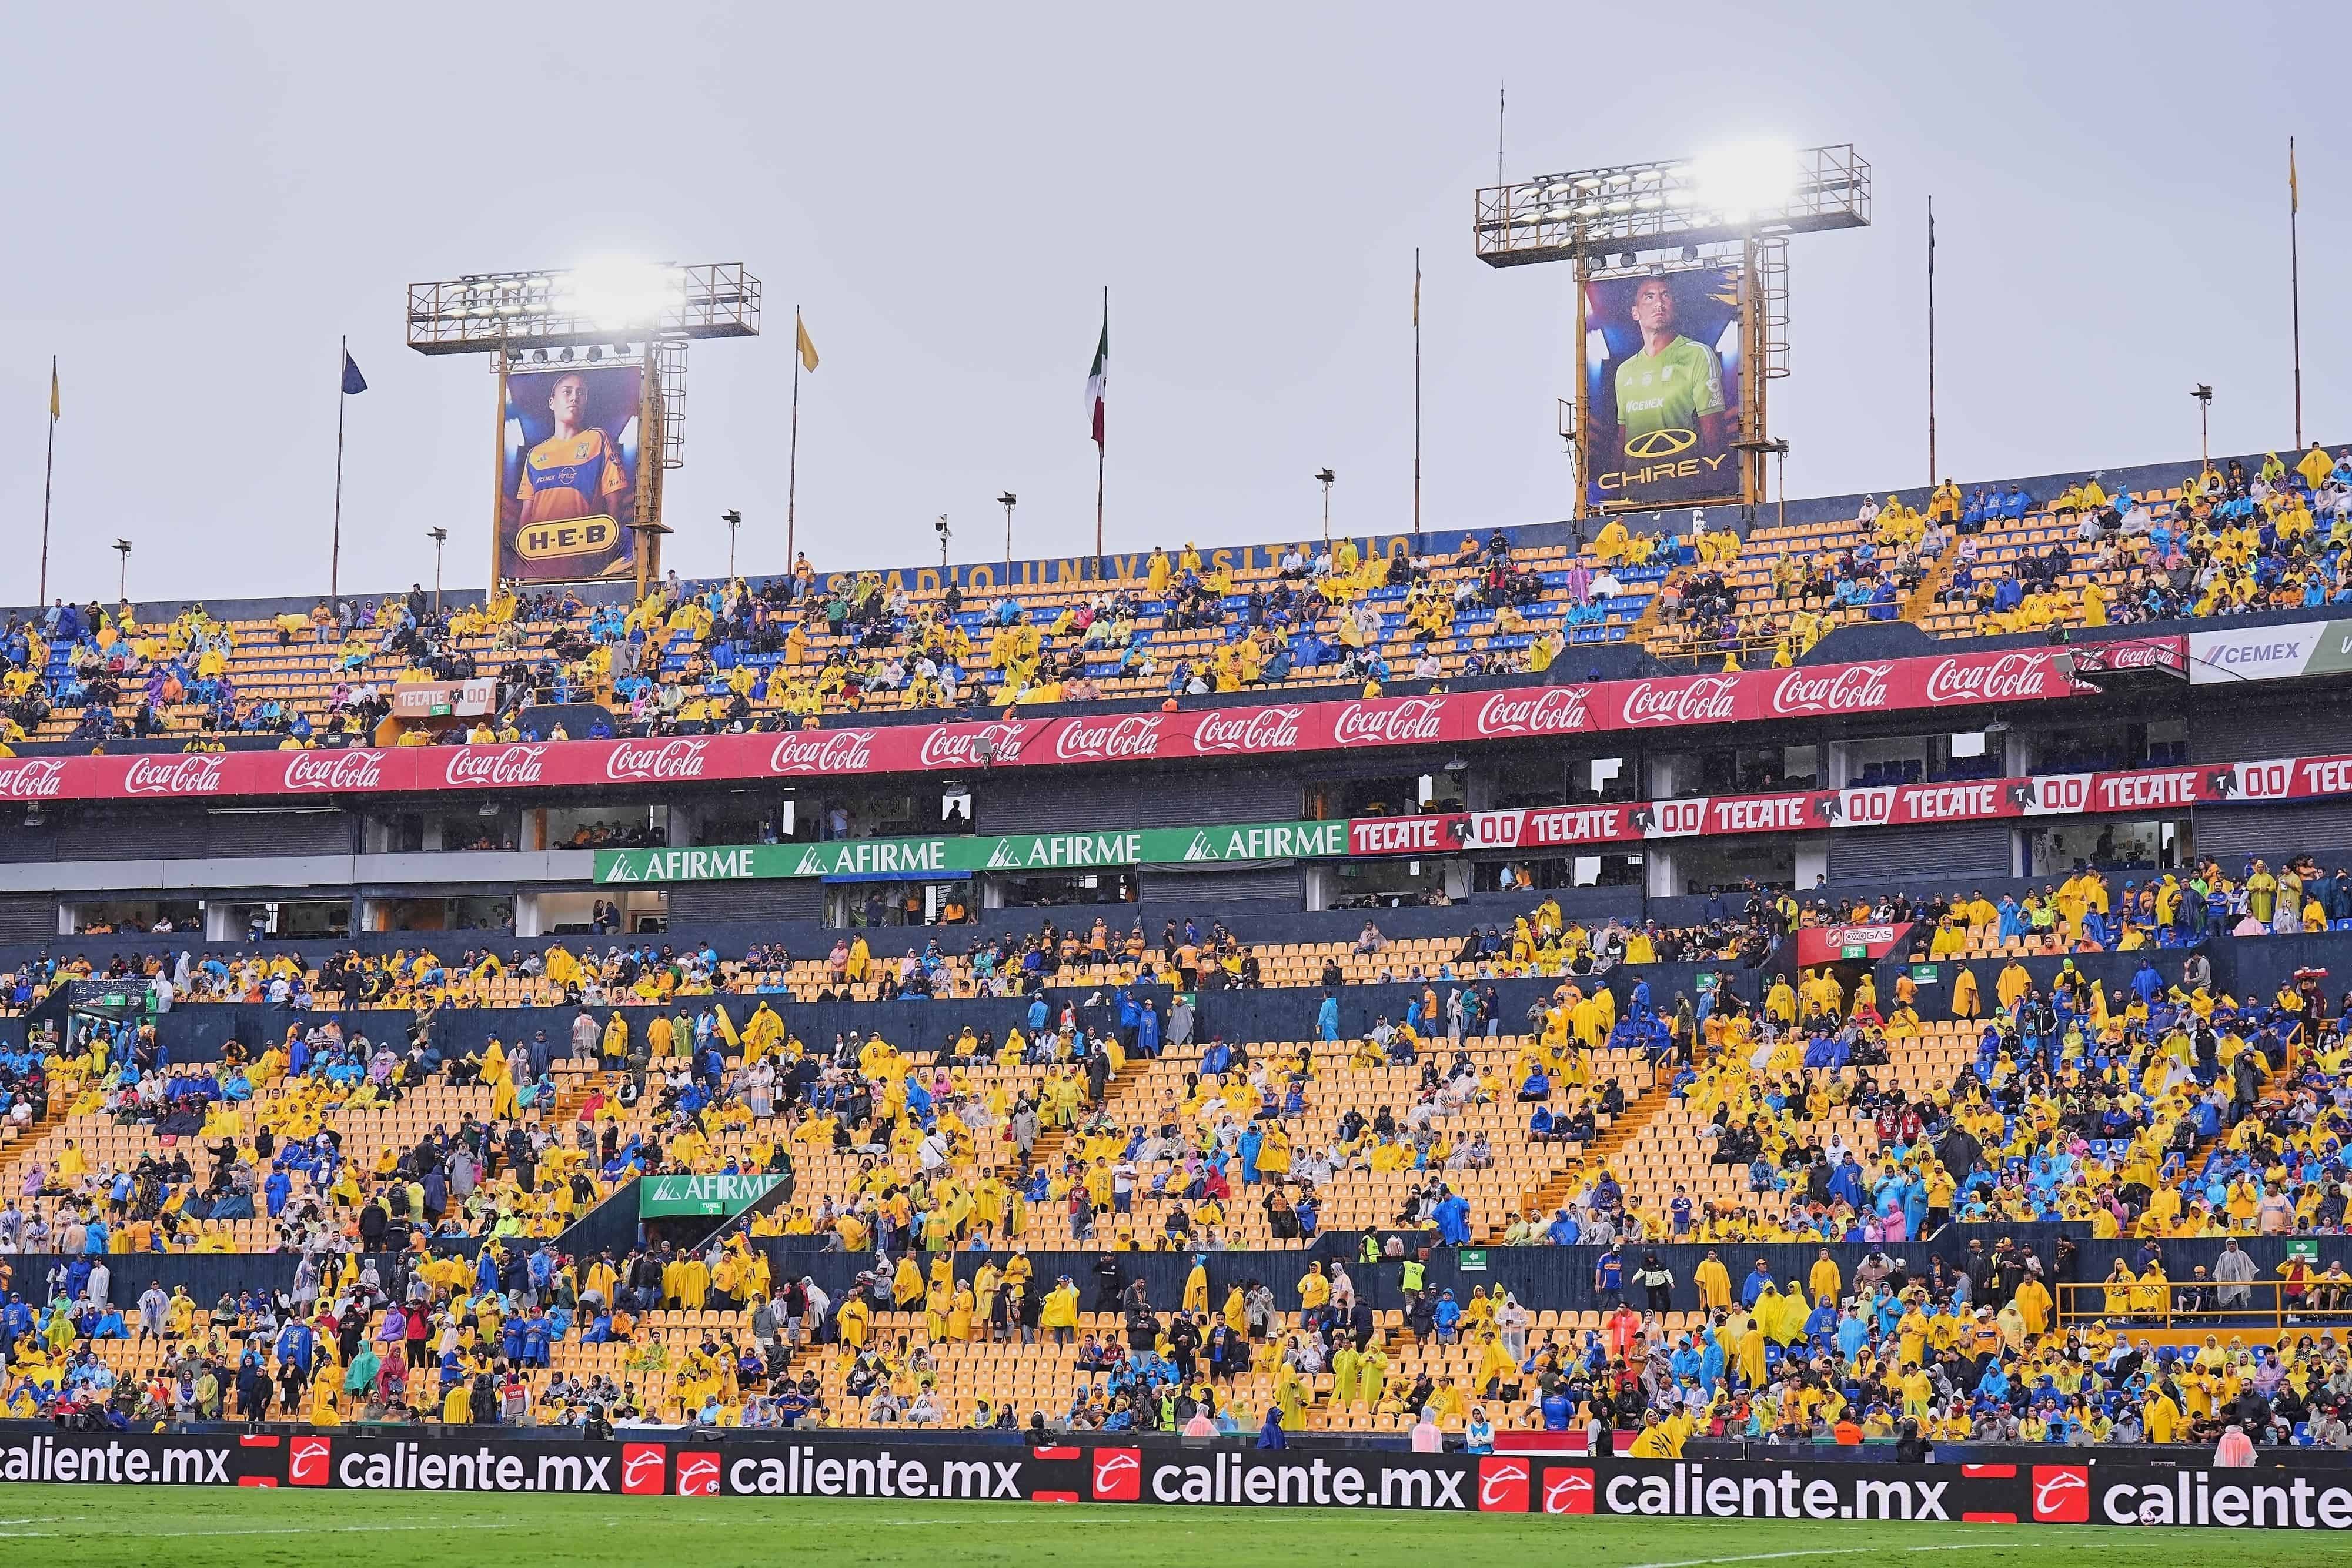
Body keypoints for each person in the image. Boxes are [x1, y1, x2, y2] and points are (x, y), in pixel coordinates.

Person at [1613, 275, 1728, 474]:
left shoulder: (1698, 355)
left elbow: (1714, 435)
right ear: (1635, 312)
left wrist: (1708, 485)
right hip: (1634, 490)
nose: (1659, 303)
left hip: (1684, 484)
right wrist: (1613, 490)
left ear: (1674, 305)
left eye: (1665, 295)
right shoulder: (1624, 371)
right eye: (1649, 297)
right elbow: (1622, 438)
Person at [514, 370, 632, 530]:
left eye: (581, 393)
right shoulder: (535, 455)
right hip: (541, 551)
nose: (574, 397)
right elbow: (526, 512)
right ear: (552, 403)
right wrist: (522, 554)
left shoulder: (598, 439)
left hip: (585, 548)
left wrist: (609, 547)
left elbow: (614, 500)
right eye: (567, 392)